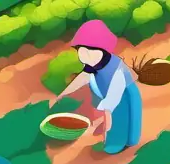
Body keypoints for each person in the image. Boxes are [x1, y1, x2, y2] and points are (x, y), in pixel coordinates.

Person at [50, 20, 142, 155]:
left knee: (126, 120)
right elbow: (83, 77)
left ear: (103, 50)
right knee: (115, 128)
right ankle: (115, 143)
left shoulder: (115, 68)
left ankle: (126, 141)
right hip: (109, 96)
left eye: (91, 51)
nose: (86, 56)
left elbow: (114, 95)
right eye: (82, 52)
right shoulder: (92, 65)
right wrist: (64, 93)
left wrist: (108, 113)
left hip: (125, 94)